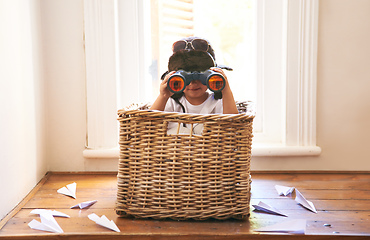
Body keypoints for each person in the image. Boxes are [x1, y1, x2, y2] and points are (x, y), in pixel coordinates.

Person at [150, 37, 238, 116]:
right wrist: (163, 96)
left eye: (202, 76)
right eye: (184, 78)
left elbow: (234, 124)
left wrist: (225, 90)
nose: (193, 83)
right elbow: (149, 124)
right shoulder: (172, 103)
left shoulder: (219, 102)